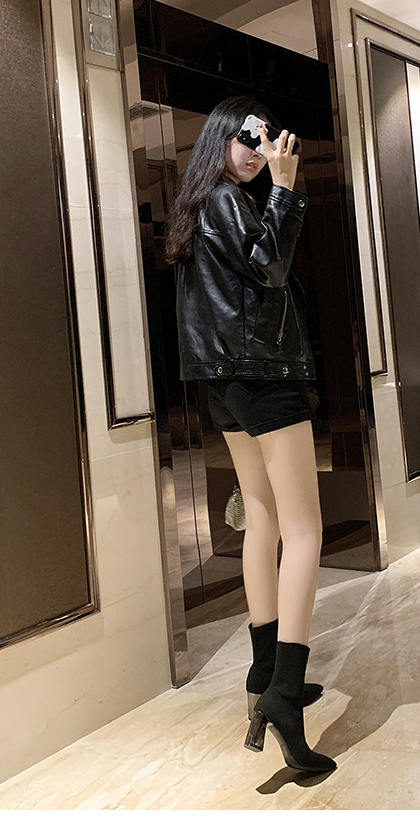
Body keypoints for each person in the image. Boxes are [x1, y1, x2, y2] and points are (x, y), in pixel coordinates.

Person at [165, 96, 336, 774]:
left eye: (266, 144)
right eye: (247, 139)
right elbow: (271, 267)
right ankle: (285, 696)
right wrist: (287, 189)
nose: (259, 153)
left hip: (225, 385)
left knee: (261, 519)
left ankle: (264, 674)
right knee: (304, 528)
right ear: (220, 138)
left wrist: (275, 190)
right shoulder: (229, 201)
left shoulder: (201, 205)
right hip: (263, 377)